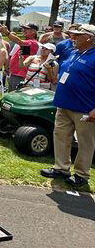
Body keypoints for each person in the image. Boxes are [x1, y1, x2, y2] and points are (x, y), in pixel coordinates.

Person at [40, 24, 95, 188]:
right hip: (64, 104)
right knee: (61, 136)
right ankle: (61, 168)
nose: (73, 38)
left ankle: (81, 174)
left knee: (86, 142)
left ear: (90, 38)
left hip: (85, 107)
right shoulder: (74, 53)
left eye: (78, 35)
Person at [0, 22, 40, 92]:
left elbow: (19, 42)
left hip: (20, 76)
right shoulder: (27, 42)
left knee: (15, 97)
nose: (23, 30)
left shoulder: (33, 43)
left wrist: (7, 32)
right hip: (15, 74)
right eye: (23, 28)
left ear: (34, 32)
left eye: (27, 29)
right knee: (11, 96)